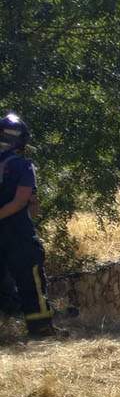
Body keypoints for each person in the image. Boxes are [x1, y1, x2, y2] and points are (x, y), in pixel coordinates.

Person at [0, 112, 57, 339]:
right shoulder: (23, 166)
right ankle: (41, 329)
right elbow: (23, 203)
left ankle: (8, 327)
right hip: (18, 235)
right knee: (31, 281)